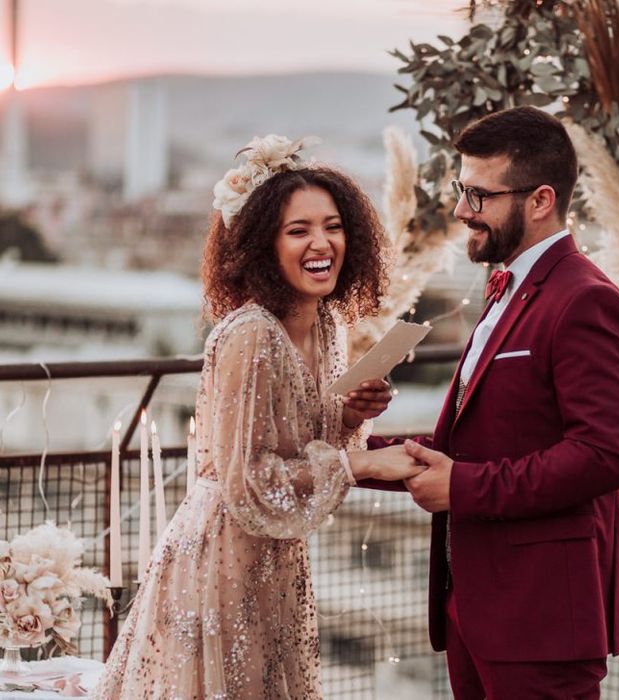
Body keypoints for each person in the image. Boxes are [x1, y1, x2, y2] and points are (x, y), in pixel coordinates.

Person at [93, 135, 421, 700]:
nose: (321, 242)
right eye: (298, 230)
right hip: (221, 561)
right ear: (261, 245)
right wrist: (363, 460)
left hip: (275, 558)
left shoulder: (326, 325)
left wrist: (345, 416)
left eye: (334, 225)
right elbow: (250, 481)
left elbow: (300, 442)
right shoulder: (249, 335)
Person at [368, 106, 619, 699]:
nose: (463, 210)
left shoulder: (586, 302)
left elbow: (607, 455)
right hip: (474, 606)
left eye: (478, 194)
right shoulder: (508, 289)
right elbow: (473, 443)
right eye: (461, 189)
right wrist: (351, 454)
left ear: (541, 200)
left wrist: (464, 488)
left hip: (542, 617)